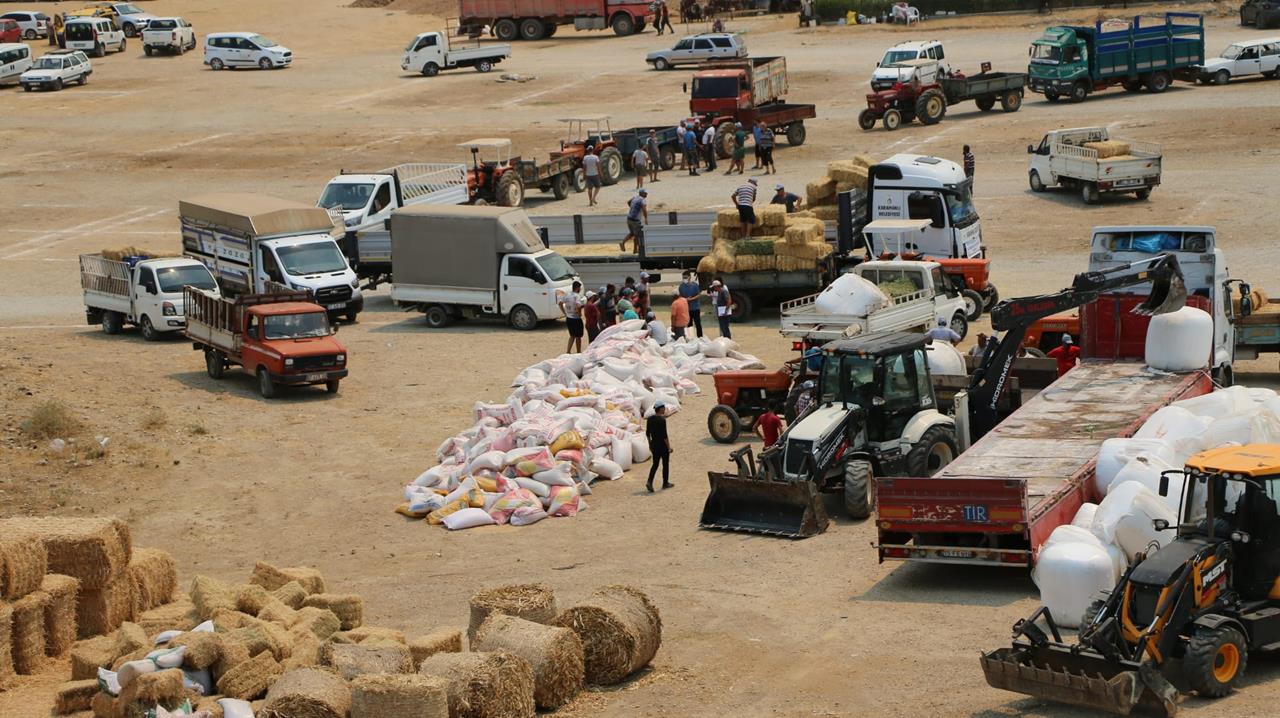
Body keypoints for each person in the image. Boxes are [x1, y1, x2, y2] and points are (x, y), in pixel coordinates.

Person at [646, 402, 674, 492]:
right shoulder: (662, 420)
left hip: (654, 445)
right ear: (660, 409)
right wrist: (669, 447)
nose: (664, 409)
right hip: (662, 446)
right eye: (664, 408)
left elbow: (647, 433)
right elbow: (664, 435)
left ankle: (649, 481)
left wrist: (650, 444)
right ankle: (665, 483)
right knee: (665, 464)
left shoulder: (650, 419)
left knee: (655, 464)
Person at [558, 281, 585, 354]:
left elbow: (560, 303)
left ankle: (568, 351)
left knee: (572, 336)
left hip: (569, 318)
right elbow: (578, 306)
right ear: (577, 288)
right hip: (576, 318)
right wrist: (579, 313)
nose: (580, 289)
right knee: (578, 337)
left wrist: (564, 312)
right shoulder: (577, 296)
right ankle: (578, 351)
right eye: (579, 288)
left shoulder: (567, 295)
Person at [620, 189, 648, 253]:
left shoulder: (635, 197)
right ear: (642, 193)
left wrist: (632, 207)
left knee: (632, 234)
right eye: (645, 193)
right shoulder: (642, 200)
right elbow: (644, 209)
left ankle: (623, 243)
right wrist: (646, 218)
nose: (647, 194)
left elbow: (628, 202)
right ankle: (635, 250)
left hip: (629, 219)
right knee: (637, 235)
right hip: (635, 221)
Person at [678, 271, 703, 337]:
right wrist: (685, 299)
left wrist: (691, 299)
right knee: (689, 324)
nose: (684, 279)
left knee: (698, 324)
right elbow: (680, 296)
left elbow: (699, 294)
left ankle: (700, 337)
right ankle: (691, 337)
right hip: (687, 309)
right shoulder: (681, 286)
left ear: (689, 277)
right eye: (683, 277)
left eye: (685, 277)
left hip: (695, 308)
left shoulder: (695, 285)